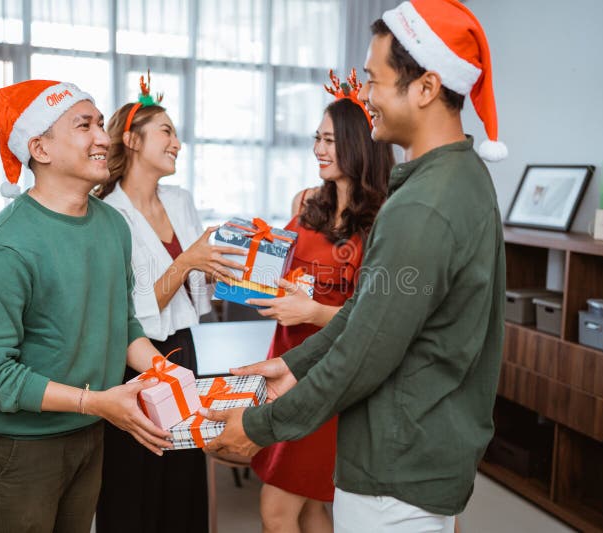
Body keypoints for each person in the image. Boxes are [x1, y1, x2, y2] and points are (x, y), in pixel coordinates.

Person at [201, 0, 508, 531]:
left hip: (396, 466)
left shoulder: (421, 208)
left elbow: (366, 351)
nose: (364, 95)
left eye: (374, 78)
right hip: (412, 452)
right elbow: (371, 316)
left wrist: (259, 426)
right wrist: (295, 363)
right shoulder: (459, 179)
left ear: (426, 87)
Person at [0, 79, 172, 533]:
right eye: (83, 125)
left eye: (99, 124)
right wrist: (94, 402)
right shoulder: (4, 249)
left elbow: (122, 321)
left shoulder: (112, 225)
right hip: (22, 447)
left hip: (90, 430)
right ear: (41, 148)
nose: (103, 138)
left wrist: (165, 374)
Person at [94, 71, 246, 533]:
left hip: (183, 347)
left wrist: (224, 272)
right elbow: (128, 313)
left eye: (177, 134)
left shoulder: (180, 200)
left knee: (182, 474)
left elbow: (194, 296)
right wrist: (187, 262)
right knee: (134, 478)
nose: (178, 143)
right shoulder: (108, 214)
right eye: (167, 131)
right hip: (133, 359)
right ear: (132, 140)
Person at [245, 70, 393, 533]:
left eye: (330, 139)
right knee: (311, 505)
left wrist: (310, 312)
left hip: (332, 372)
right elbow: (279, 275)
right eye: (317, 138)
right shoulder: (305, 200)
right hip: (287, 355)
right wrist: (256, 281)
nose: (318, 150)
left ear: (358, 142)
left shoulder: (384, 219)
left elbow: (376, 318)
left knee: (277, 507)